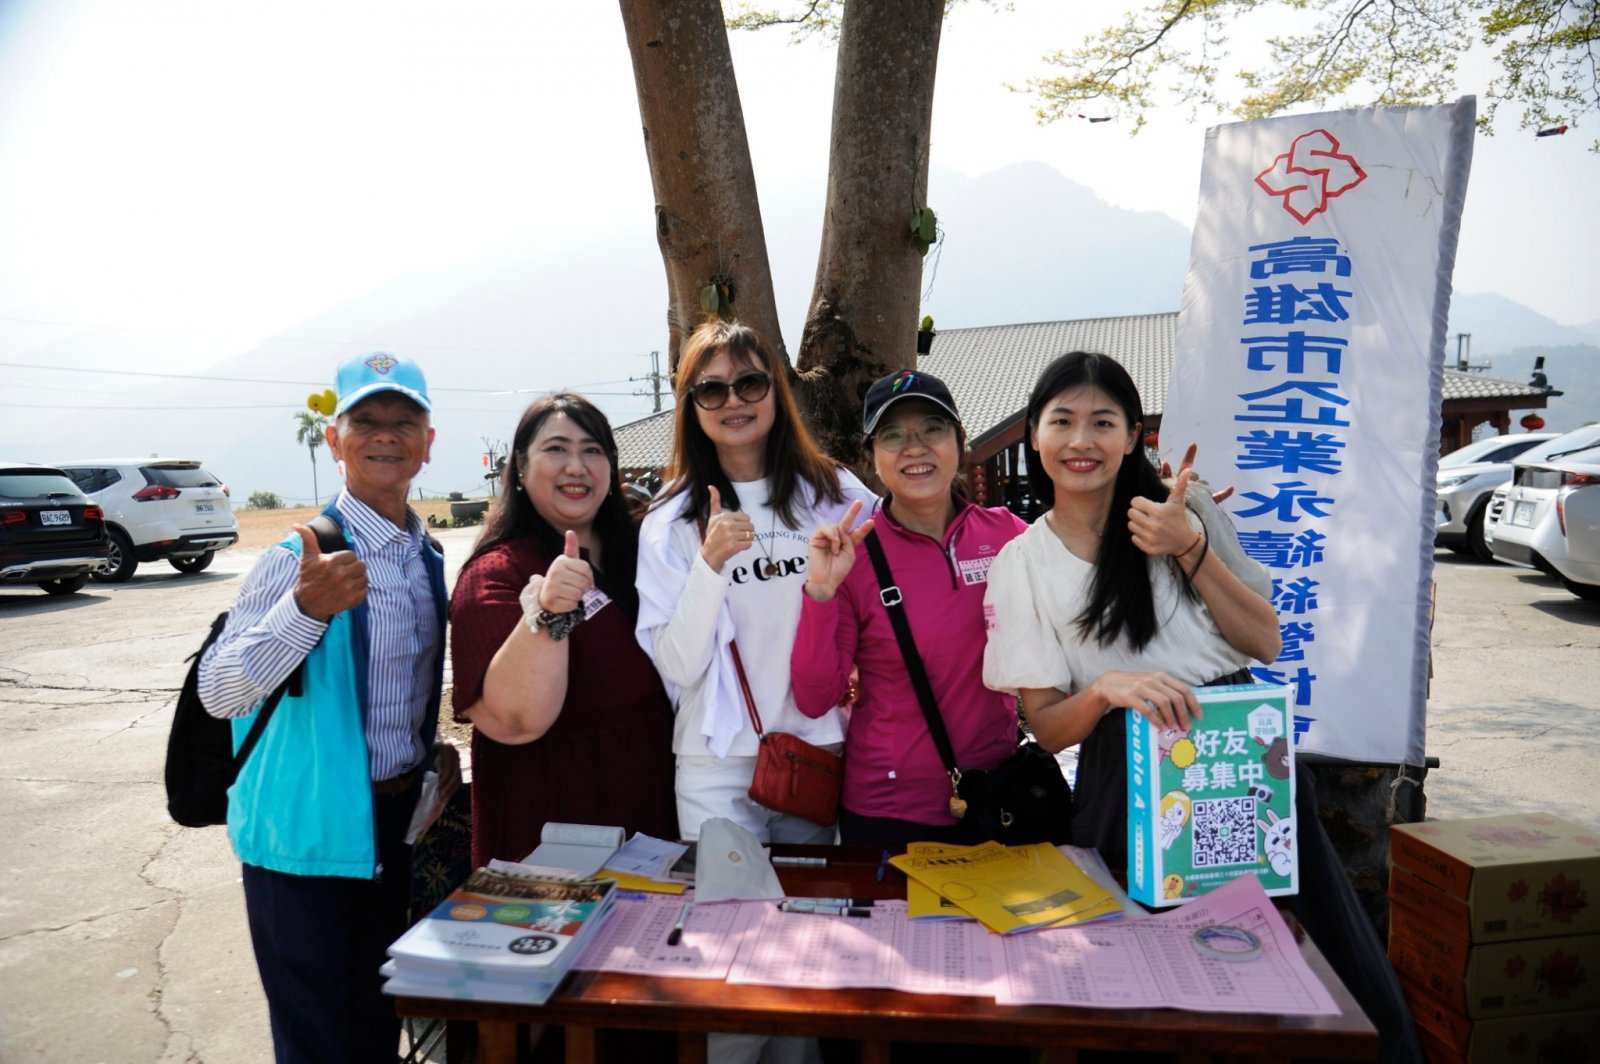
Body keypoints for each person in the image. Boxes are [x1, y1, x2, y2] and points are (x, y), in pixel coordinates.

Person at [981, 350, 1422, 1063]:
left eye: (1103, 422)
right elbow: (1050, 726)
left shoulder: (1187, 513)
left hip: (1240, 759)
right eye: (1062, 421)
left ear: (1133, 435)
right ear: (1035, 434)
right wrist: (1105, 689)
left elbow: (1265, 640)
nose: (1081, 440)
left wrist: (1188, 547)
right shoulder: (1021, 561)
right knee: (1155, 1000)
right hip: (1129, 781)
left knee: (1297, 974)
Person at [199, 351, 446, 1064]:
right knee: (319, 1041)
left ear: (428, 444)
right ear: (335, 440)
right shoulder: (295, 556)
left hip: (392, 827)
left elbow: (399, 691)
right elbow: (221, 691)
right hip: (304, 836)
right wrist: (305, 611)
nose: (386, 434)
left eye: (404, 421)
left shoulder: (424, 555)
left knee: (376, 1025)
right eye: (366, 420)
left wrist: (431, 757)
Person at [635, 318, 877, 846]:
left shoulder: (835, 495)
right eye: (711, 390)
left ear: (775, 391)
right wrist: (709, 565)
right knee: (727, 900)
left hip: (814, 748)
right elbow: (678, 666)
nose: (733, 401)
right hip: (714, 761)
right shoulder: (670, 520)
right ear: (690, 406)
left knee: (810, 898)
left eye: (749, 383)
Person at [790, 369, 1029, 849]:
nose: (914, 448)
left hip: (997, 797)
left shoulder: (1008, 535)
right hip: (887, 813)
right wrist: (820, 592)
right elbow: (815, 698)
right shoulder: (853, 556)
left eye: (932, 430)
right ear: (872, 459)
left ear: (960, 440)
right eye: (893, 435)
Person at [449, 392, 676, 870]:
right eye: (556, 449)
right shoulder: (497, 574)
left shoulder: (648, 554)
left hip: (657, 825)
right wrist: (549, 611)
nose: (577, 466)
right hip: (553, 845)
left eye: (593, 450)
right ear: (520, 467)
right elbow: (513, 722)